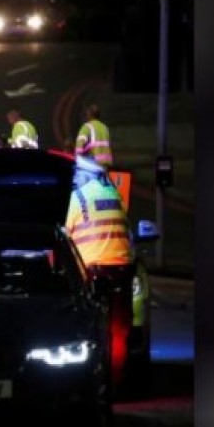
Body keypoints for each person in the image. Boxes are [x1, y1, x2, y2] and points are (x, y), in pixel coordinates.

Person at [65, 156, 134, 384]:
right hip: (122, 270)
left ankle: (94, 382)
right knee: (119, 330)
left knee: (89, 328)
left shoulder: (77, 199)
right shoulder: (114, 196)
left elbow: (62, 237)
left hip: (93, 272)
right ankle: (116, 383)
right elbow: (128, 235)